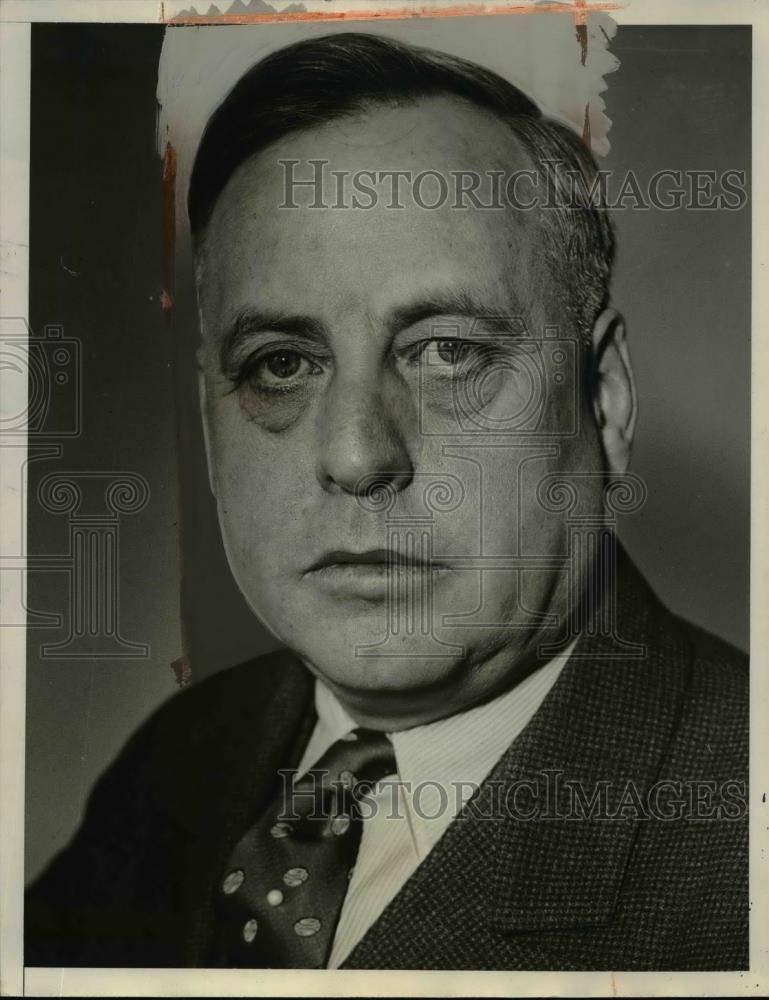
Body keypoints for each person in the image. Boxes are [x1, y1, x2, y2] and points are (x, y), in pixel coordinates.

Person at [25, 31, 748, 971]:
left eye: (449, 351)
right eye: (280, 364)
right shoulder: (181, 761)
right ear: (209, 427)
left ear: (602, 400)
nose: (359, 456)